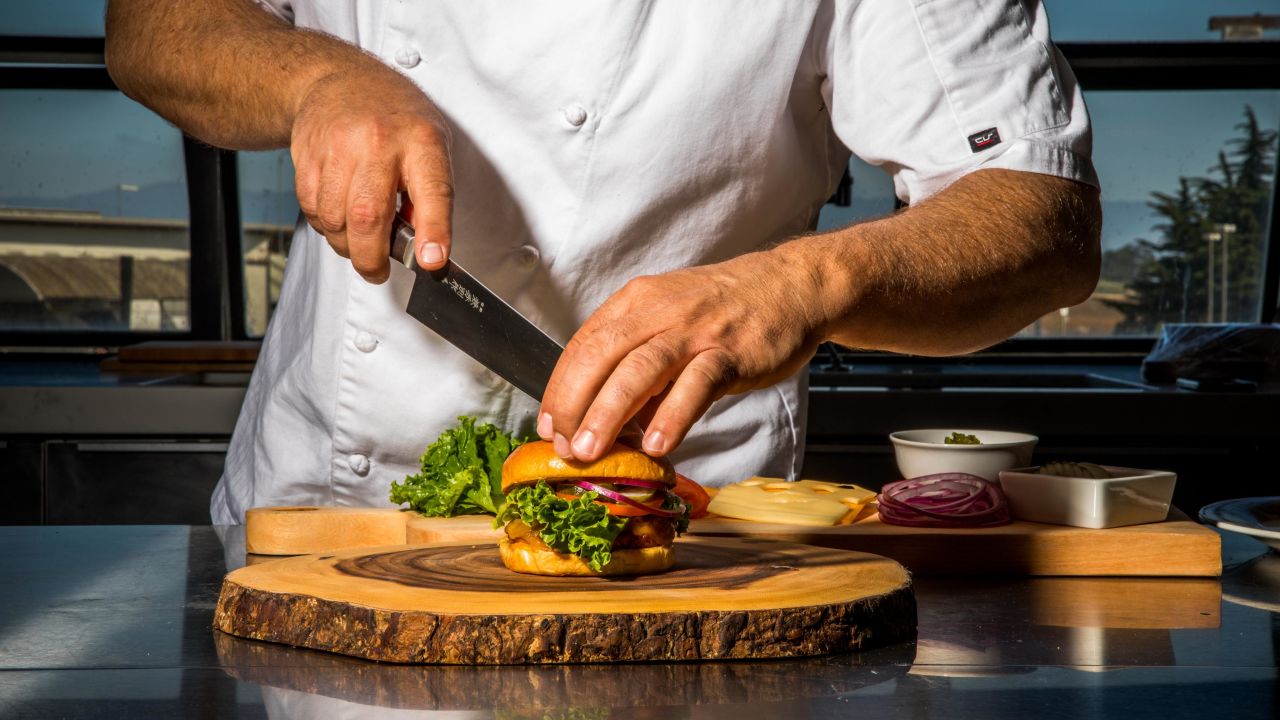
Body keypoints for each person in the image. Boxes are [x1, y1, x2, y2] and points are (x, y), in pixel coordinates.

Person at [106, 0, 1101, 524]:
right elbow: (152, 25)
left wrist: (808, 283)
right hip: (331, 514)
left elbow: (1039, 220)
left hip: (675, 522)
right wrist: (314, 75)